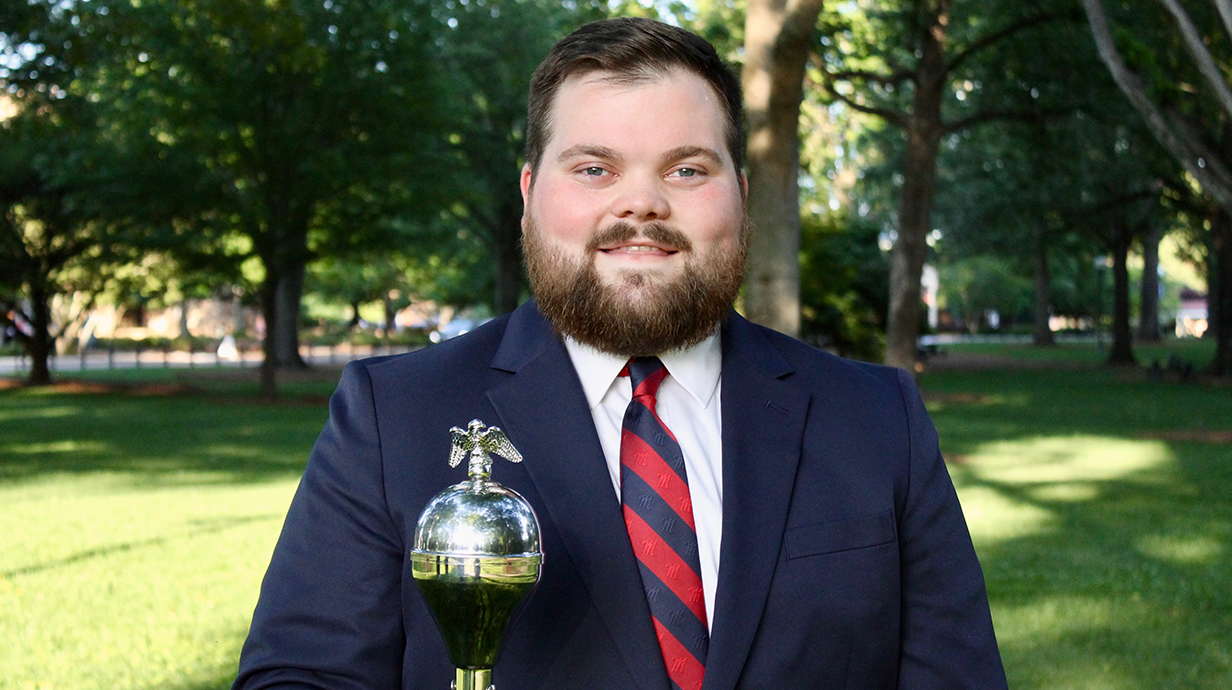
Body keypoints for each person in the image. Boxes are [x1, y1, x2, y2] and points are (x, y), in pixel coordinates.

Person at [234, 17, 1007, 690]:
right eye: (595, 168)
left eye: (687, 169)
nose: (641, 202)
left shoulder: (878, 418)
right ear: (532, 193)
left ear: (741, 192)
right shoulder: (390, 417)